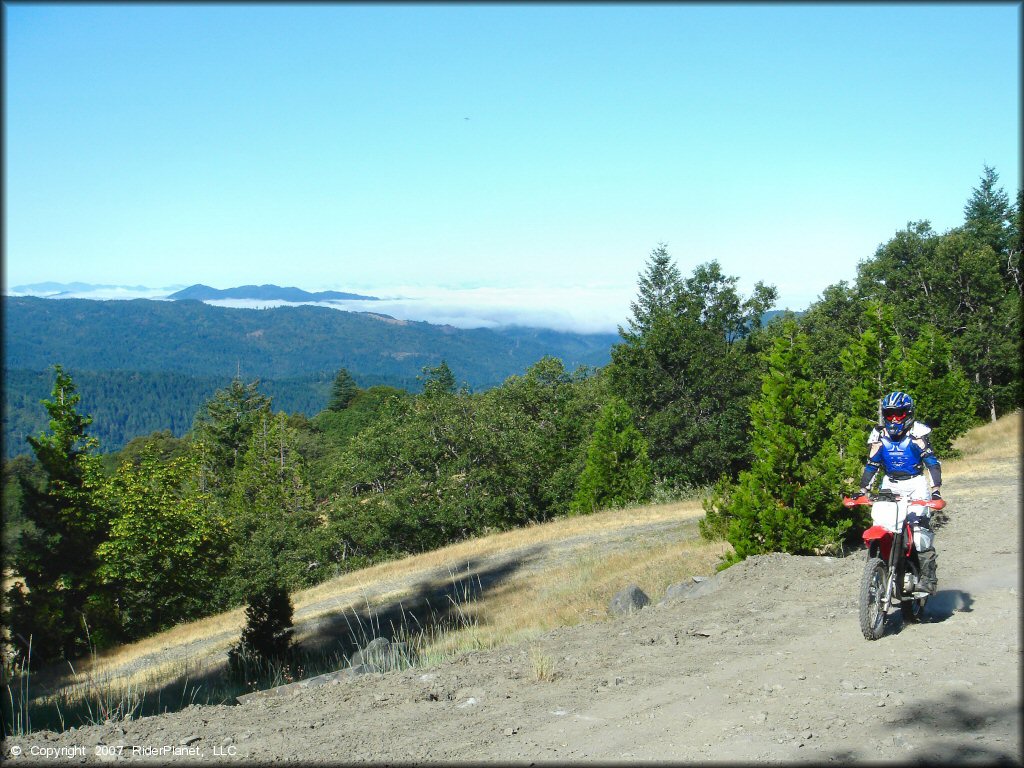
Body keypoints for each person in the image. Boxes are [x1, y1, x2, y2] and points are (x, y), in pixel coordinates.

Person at [858, 391, 943, 593]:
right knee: (882, 524)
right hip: (889, 483)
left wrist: (936, 491)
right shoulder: (879, 435)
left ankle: (928, 580)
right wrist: (862, 490)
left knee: (920, 533)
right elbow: (872, 465)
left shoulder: (918, 434)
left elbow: (931, 463)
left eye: (899, 414)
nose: (894, 419)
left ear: (908, 413)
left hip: (916, 484)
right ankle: (879, 570)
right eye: (890, 414)